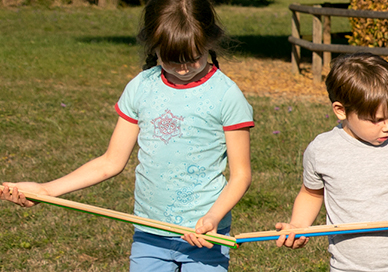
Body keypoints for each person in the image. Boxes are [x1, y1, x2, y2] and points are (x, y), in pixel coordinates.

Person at [0, 0, 252, 270]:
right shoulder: (141, 87)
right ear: (153, 46)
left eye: (193, 57)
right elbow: (110, 162)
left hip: (206, 236)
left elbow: (241, 175)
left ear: (209, 41)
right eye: (171, 60)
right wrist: (46, 190)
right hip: (149, 232)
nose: (183, 69)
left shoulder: (226, 95)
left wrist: (212, 218)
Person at [271, 53, 388, 272]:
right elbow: (311, 193)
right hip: (345, 267)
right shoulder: (322, 150)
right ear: (341, 111)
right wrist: (298, 226)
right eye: (376, 120)